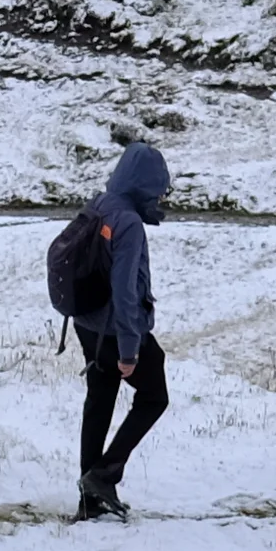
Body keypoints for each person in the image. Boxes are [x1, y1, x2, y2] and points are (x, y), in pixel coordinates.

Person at [71, 143, 173, 519]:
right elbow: (125, 289)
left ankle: (90, 503)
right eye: (159, 189)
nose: (161, 197)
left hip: (87, 323)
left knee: (99, 402)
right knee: (154, 396)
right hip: (115, 329)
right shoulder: (128, 222)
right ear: (144, 185)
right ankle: (103, 475)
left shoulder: (100, 203)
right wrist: (130, 349)